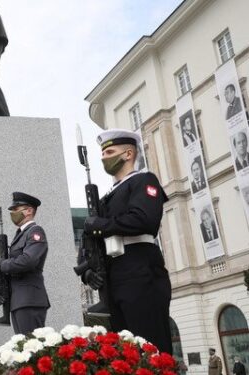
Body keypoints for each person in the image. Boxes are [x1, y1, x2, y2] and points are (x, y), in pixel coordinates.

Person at [83, 129, 172, 353]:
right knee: (122, 353)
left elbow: (144, 219)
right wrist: (87, 269)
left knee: (149, 347)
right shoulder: (105, 197)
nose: (104, 157)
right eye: (102, 153)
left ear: (128, 153)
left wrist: (100, 226)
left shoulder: (144, 180)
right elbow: (90, 239)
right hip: (113, 277)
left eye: (110, 151)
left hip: (140, 271)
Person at [0, 192, 50, 334]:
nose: (13, 213)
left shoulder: (35, 232)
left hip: (30, 299)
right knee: (23, 349)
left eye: (16, 209)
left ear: (29, 211)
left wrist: (4, 265)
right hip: (19, 300)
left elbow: (29, 260)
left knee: (32, 347)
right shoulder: (20, 234)